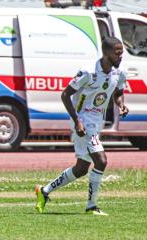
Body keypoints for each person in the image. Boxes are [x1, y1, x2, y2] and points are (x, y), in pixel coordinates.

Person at [35, 37, 129, 216]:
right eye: (117, 53)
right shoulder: (88, 71)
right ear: (106, 53)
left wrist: (121, 105)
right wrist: (77, 121)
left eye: (121, 52)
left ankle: (44, 191)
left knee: (81, 168)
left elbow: (118, 93)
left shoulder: (120, 72)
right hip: (83, 121)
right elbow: (65, 95)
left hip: (96, 121)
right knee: (101, 161)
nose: (120, 56)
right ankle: (91, 206)